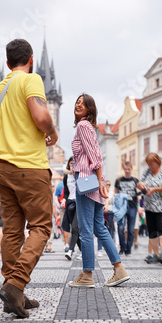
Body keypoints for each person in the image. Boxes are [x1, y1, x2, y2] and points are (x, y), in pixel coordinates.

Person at [0, 38, 58, 318]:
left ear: (6, 63)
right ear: (30, 59)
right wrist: (52, 131)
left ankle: (12, 295)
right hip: (30, 166)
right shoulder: (31, 80)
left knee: (13, 232)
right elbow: (41, 117)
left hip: (3, 168)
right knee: (40, 227)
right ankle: (16, 284)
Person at [68, 94, 129, 288]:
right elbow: (95, 156)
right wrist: (100, 181)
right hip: (93, 180)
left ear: (90, 109)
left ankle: (87, 275)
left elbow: (95, 157)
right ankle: (119, 269)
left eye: (82, 103)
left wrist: (100, 182)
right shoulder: (90, 127)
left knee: (86, 230)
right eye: (77, 102)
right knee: (98, 227)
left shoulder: (83, 126)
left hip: (86, 181)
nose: (78, 105)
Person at [137, 153, 162, 265]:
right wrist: (141, 185)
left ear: (158, 162)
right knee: (151, 230)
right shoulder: (146, 172)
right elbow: (139, 183)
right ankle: (156, 255)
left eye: (152, 164)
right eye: (148, 164)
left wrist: (155, 189)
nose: (150, 166)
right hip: (149, 206)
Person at [114, 161, 139, 255]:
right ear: (123, 169)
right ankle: (122, 247)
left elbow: (139, 195)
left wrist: (140, 207)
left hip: (132, 206)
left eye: (129, 169)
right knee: (120, 228)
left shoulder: (135, 180)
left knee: (131, 229)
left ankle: (128, 249)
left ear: (131, 169)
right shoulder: (119, 180)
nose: (127, 171)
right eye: (125, 169)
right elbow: (115, 193)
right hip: (121, 207)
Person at [62, 157, 81, 260]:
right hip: (69, 203)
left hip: (78, 203)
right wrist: (64, 200)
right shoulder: (66, 177)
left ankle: (70, 250)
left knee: (75, 227)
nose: (72, 165)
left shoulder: (79, 176)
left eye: (74, 164)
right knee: (73, 229)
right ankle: (83, 251)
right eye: (71, 163)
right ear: (68, 165)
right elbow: (66, 192)